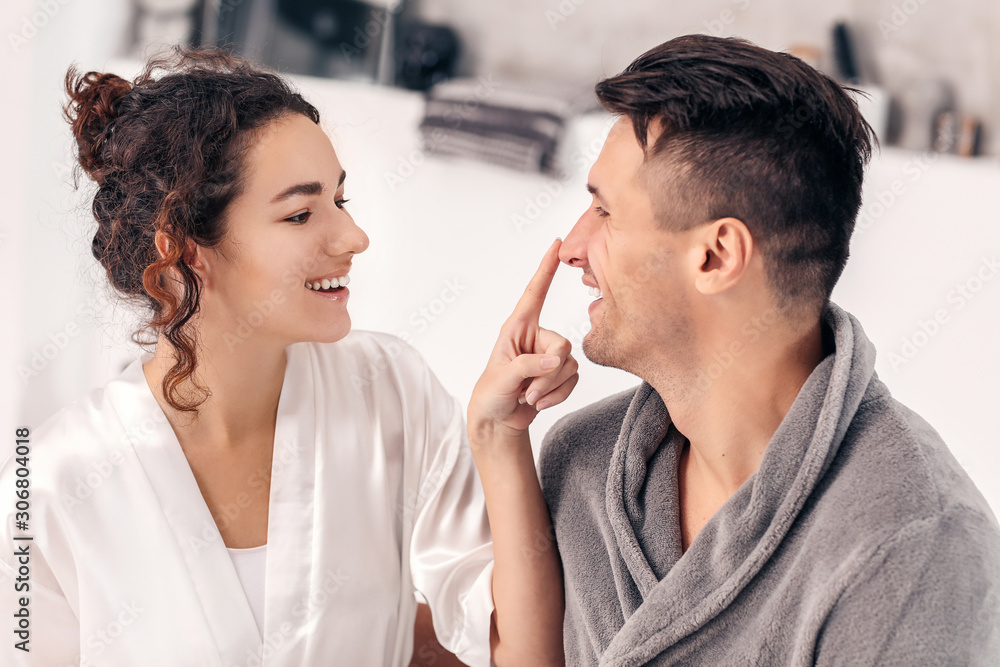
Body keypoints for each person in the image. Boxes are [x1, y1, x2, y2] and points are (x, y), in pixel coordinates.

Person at [0, 48, 563, 666]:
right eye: (299, 214)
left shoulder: (389, 389)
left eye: (339, 203)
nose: (354, 239)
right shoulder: (48, 484)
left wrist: (499, 435)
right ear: (185, 253)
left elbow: (519, 654)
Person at [472, 34, 1000, 665]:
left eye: (605, 212)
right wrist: (495, 439)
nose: (571, 248)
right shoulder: (582, 461)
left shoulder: (910, 548)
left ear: (716, 255)